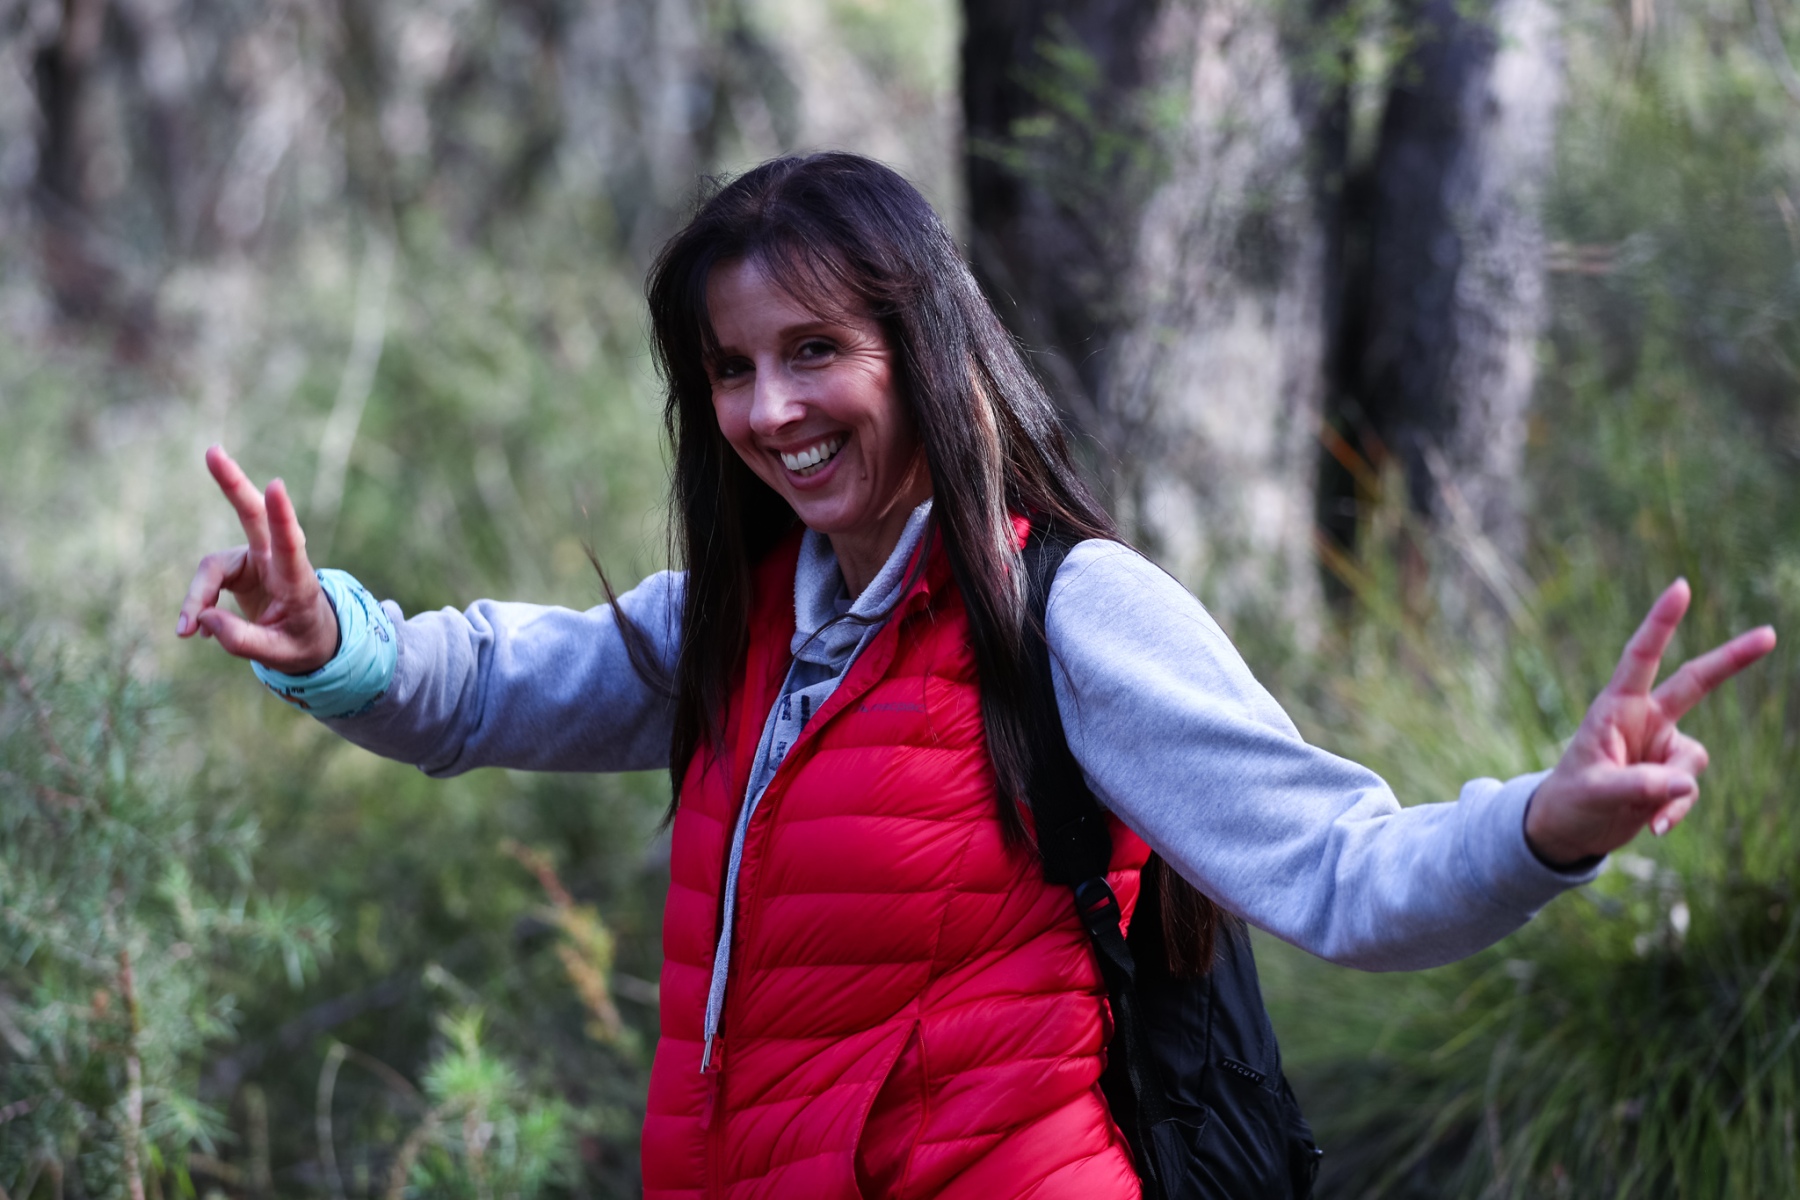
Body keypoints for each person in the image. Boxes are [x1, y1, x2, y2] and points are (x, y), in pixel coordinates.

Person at [177, 153, 1775, 1200]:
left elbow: (1348, 875)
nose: (768, 409)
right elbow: (484, 687)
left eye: (816, 351)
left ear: (923, 353)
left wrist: (1547, 824)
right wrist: (330, 640)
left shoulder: (1065, 612)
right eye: (730, 368)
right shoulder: (746, 622)